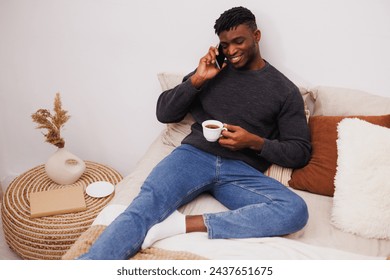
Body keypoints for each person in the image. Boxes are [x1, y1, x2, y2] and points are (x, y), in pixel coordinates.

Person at [77, 6, 311, 260]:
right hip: (192, 156)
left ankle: (181, 224)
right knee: (142, 208)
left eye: (238, 41)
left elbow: (299, 152)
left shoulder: (285, 91)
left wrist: (254, 142)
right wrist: (197, 80)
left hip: (241, 170)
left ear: (257, 36)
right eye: (225, 44)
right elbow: (164, 112)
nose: (231, 51)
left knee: (294, 211)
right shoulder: (213, 70)